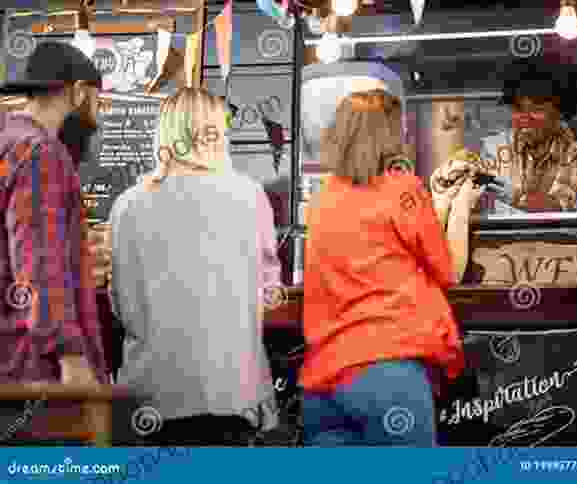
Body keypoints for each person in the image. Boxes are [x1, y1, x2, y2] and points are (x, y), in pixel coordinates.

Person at [301, 89, 482, 446]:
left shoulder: (323, 198)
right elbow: (447, 271)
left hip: (322, 383)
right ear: (389, 135)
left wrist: (437, 202)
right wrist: (461, 206)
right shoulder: (403, 189)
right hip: (389, 374)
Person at [109, 87, 281, 445]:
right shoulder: (248, 196)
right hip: (231, 394)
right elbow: (268, 296)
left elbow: (121, 305)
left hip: (152, 397)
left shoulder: (127, 205)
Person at [0, 41, 108, 388]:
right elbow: (38, 261)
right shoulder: (40, 152)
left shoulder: (8, 141)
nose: (98, 114)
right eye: (97, 101)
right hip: (33, 369)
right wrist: (71, 354)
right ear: (78, 94)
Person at [431, 53, 577, 214]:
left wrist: (496, 187)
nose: (525, 118)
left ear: (560, 111)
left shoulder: (575, 153)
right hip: (500, 239)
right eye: (518, 109)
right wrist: (456, 176)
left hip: (552, 238)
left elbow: (555, 207)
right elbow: (468, 196)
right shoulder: (494, 147)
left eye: (536, 109)